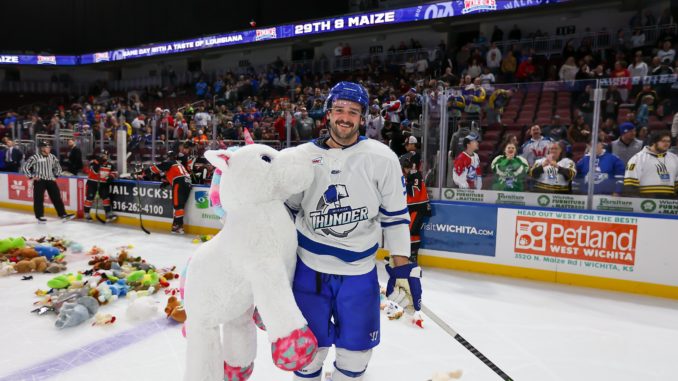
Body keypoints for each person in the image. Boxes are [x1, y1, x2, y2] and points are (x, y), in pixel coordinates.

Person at [286, 82, 421, 381]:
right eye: (339, 110)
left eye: (353, 112)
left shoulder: (382, 157)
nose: (345, 117)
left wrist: (403, 269)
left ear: (362, 117)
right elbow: (287, 210)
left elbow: (396, 217)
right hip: (309, 269)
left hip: (359, 273)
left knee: (355, 359)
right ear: (328, 114)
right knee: (306, 357)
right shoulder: (301, 156)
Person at [22, 141, 74, 222]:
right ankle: (39, 216)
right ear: (42, 148)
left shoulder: (52, 157)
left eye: (49, 147)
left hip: (50, 180)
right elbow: (25, 167)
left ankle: (62, 214)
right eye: (47, 147)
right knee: (38, 199)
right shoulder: (35, 157)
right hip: (40, 180)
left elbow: (58, 167)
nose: (49, 148)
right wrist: (31, 176)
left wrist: (56, 175)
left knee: (57, 197)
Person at [624, 130, 678, 198]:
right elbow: (630, 184)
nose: (666, 144)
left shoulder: (674, 158)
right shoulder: (638, 159)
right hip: (646, 201)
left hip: (669, 202)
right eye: (663, 141)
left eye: (668, 141)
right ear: (653, 142)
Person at [148, 150, 192, 234]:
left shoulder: (170, 163)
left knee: (177, 205)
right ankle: (178, 226)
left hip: (180, 183)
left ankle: (178, 227)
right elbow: (178, 174)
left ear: (169, 157)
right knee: (180, 205)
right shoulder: (180, 165)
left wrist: (144, 171)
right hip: (188, 183)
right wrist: (166, 183)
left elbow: (156, 168)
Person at [399, 153, 431, 264]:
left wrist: (406, 182)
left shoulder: (415, 174)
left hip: (418, 206)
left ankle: (408, 255)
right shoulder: (406, 175)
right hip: (413, 207)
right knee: (413, 231)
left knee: (410, 231)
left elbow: (414, 193)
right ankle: (412, 256)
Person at [83, 150, 117, 221]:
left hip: (103, 184)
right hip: (92, 183)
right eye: (102, 155)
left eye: (105, 155)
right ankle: (86, 214)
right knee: (89, 198)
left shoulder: (110, 164)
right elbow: (94, 171)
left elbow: (114, 172)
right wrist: (98, 163)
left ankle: (108, 214)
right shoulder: (94, 162)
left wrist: (111, 176)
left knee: (106, 198)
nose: (104, 157)